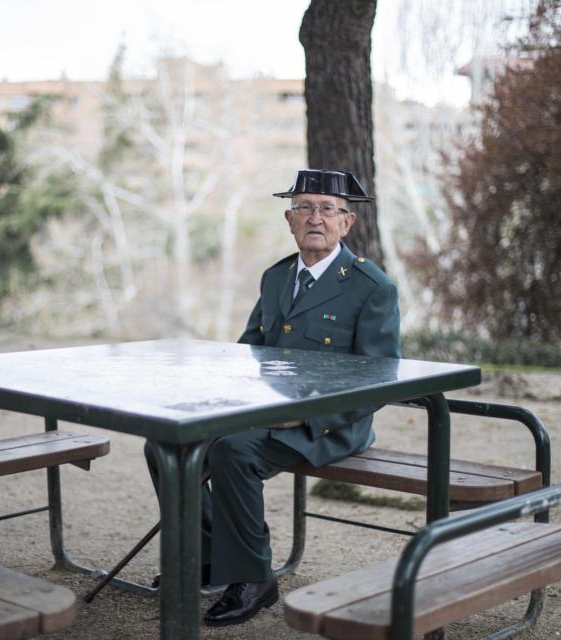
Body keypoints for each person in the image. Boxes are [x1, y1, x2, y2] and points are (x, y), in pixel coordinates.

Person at [145, 168, 401, 627]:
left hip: (330, 425)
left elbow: (377, 382)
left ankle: (253, 577)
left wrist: (304, 416)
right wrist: (217, 401)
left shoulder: (372, 288)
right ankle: (209, 563)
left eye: (327, 209)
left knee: (233, 451)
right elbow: (249, 354)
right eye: (304, 208)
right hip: (263, 412)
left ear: (348, 222)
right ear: (289, 219)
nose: (315, 218)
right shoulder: (276, 277)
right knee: (166, 442)